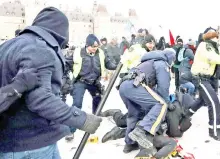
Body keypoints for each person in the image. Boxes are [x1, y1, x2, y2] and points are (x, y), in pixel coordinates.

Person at [0, 7, 102, 158]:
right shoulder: (40, 48)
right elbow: (40, 100)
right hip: (32, 142)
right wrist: (82, 119)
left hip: (10, 141)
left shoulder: (7, 46)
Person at [185, 27, 220, 141]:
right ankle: (214, 131)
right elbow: (214, 58)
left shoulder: (212, 47)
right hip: (201, 78)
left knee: (201, 100)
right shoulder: (204, 46)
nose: (217, 40)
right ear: (211, 38)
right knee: (214, 103)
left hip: (207, 78)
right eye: (215, 38)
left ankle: (185, 115)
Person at [118, 49, 176, 153]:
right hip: (135, 85)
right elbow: (163, 88)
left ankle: (129, 144)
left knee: (135, 114)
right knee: (161, 104)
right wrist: (168, 102)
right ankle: (141, 131)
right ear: (171, 57)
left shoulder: (147, 62)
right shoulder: (162, 63)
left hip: (124, 86)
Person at [65, 34, 117, 141]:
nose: (95, 49)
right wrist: (64, 78)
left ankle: (95, 118)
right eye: (93, 47)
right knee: (77, 104)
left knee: (98, 101)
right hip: (80, 81)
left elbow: (109, 64)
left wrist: (119, 64)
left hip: (94, 82)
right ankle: (71, 130)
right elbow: (66, 64)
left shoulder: (101, 53)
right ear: (87, 45)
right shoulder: (78, 53)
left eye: (96, 47)